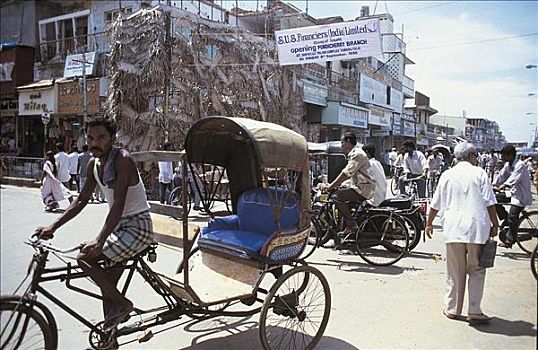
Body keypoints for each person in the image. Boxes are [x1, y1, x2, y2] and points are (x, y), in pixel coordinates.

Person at [35, 118, 154, 335]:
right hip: (119, 227)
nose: (94, 143)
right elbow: (80, 201)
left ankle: (123, 304)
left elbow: (118, 205)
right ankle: (110, 339)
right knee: (106, 285)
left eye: (101, 138)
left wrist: (99, 241)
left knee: (85, 259)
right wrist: (53, 226)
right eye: (90, 138)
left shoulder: (122, 159)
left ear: (112, 139)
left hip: (138, 227)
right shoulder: (93, 164)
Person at [425, 142, 498, 324]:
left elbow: (435, 203)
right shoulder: (479, 173)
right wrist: (495, 224)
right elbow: (489, 202)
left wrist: (429, 223)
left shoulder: (447, 175)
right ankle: (474, 310)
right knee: (476, 269)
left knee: (454, 271)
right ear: (472, 156)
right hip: (476, 229)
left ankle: (452, 309)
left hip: (453, 229)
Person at [320, 132, 374, 241]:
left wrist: (331, 186)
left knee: (335, 197)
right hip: (361, 187)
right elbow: (353, 176)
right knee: (344, 205)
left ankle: (352, 225)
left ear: (348, 142)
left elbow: (346, 173)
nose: (341, 145)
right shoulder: (355, 153)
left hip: (363, 189)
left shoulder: (357, 154)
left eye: (342, 142)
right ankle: (345, 235)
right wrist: (340, 185)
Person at [493, 145, 533, 248]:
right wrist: (491, 185)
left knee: (513, 216)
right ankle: (505, 219)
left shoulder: (519, 165)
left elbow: (513, 179)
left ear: (510, 155)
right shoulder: (508, 165)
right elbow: (501, 177)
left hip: (521, 196)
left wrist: (501, 187)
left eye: (504, 155)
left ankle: (509, 240)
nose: (502, 157)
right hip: (513, 193)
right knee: (494, 199)